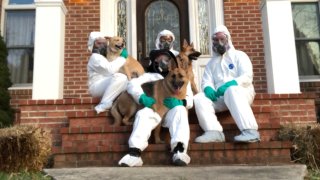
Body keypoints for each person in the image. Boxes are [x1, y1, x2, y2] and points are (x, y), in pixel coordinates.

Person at [118, 30, 194, 167]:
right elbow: (132, 84)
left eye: (166, 59)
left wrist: (182, 102)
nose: (163, 62)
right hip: (155, 112)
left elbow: (190, 99)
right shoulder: (148, 77)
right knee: (142, 113)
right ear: (154, 61)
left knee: (181, 110)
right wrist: (141, 97)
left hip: (171, 113)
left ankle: (180, 151)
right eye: (159, 59)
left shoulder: (181, 77)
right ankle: (134, 153)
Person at [193, 25, 260, 143]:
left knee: (232, 90)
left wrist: (231, 84)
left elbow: (247, 76)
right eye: (216, 40)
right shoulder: (211, 63)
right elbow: (206, 81)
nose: (219, 43)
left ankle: (250, 131)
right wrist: (208, 88)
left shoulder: (239, 55)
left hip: (242, 93)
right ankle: (213, 132)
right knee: (199, 98)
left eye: (222, 39)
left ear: (228, 39)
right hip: (221, 97)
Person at [87, 31, 128, 114]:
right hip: (96, 86)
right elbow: (110, 70)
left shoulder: (103, 58)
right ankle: (104, 104)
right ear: (94, 44)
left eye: (105, 43)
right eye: (100, 43)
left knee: (126, 81)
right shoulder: (95, 57)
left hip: (106, 84)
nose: (103, 45)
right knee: (120, 77)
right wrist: (122, 57)